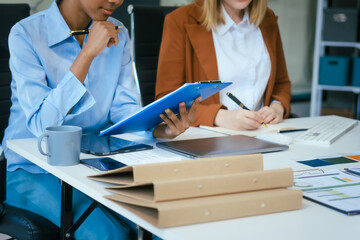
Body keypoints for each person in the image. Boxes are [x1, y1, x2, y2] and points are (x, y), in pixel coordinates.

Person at [2, 0, 199, 239]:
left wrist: (158, 130)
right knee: (109, 235)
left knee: (162, 225)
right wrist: (87, 54)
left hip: (95, 163)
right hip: (33, 168)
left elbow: (123, 109)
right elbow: (41, 126)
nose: (117, 0)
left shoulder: (118, 33)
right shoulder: (26, 33)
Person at [155, 0, 291, 131]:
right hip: (207, 138)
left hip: (263, 132)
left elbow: (281, 83)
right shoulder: (180, 20)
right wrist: (219, 116)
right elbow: (166, 99)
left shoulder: (267, 18)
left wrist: (277, 107)